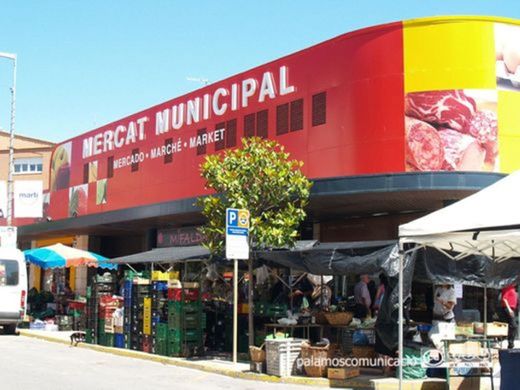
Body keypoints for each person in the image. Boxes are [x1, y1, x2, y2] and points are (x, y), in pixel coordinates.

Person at [500, 284, 518, 349]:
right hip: (508, 308)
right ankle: (510, 343)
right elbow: (504, 299)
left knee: (511, 326)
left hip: (512, 308)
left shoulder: (513, 288)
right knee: (513, 326)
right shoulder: (508, 287)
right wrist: (509, 309)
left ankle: (510, 343)